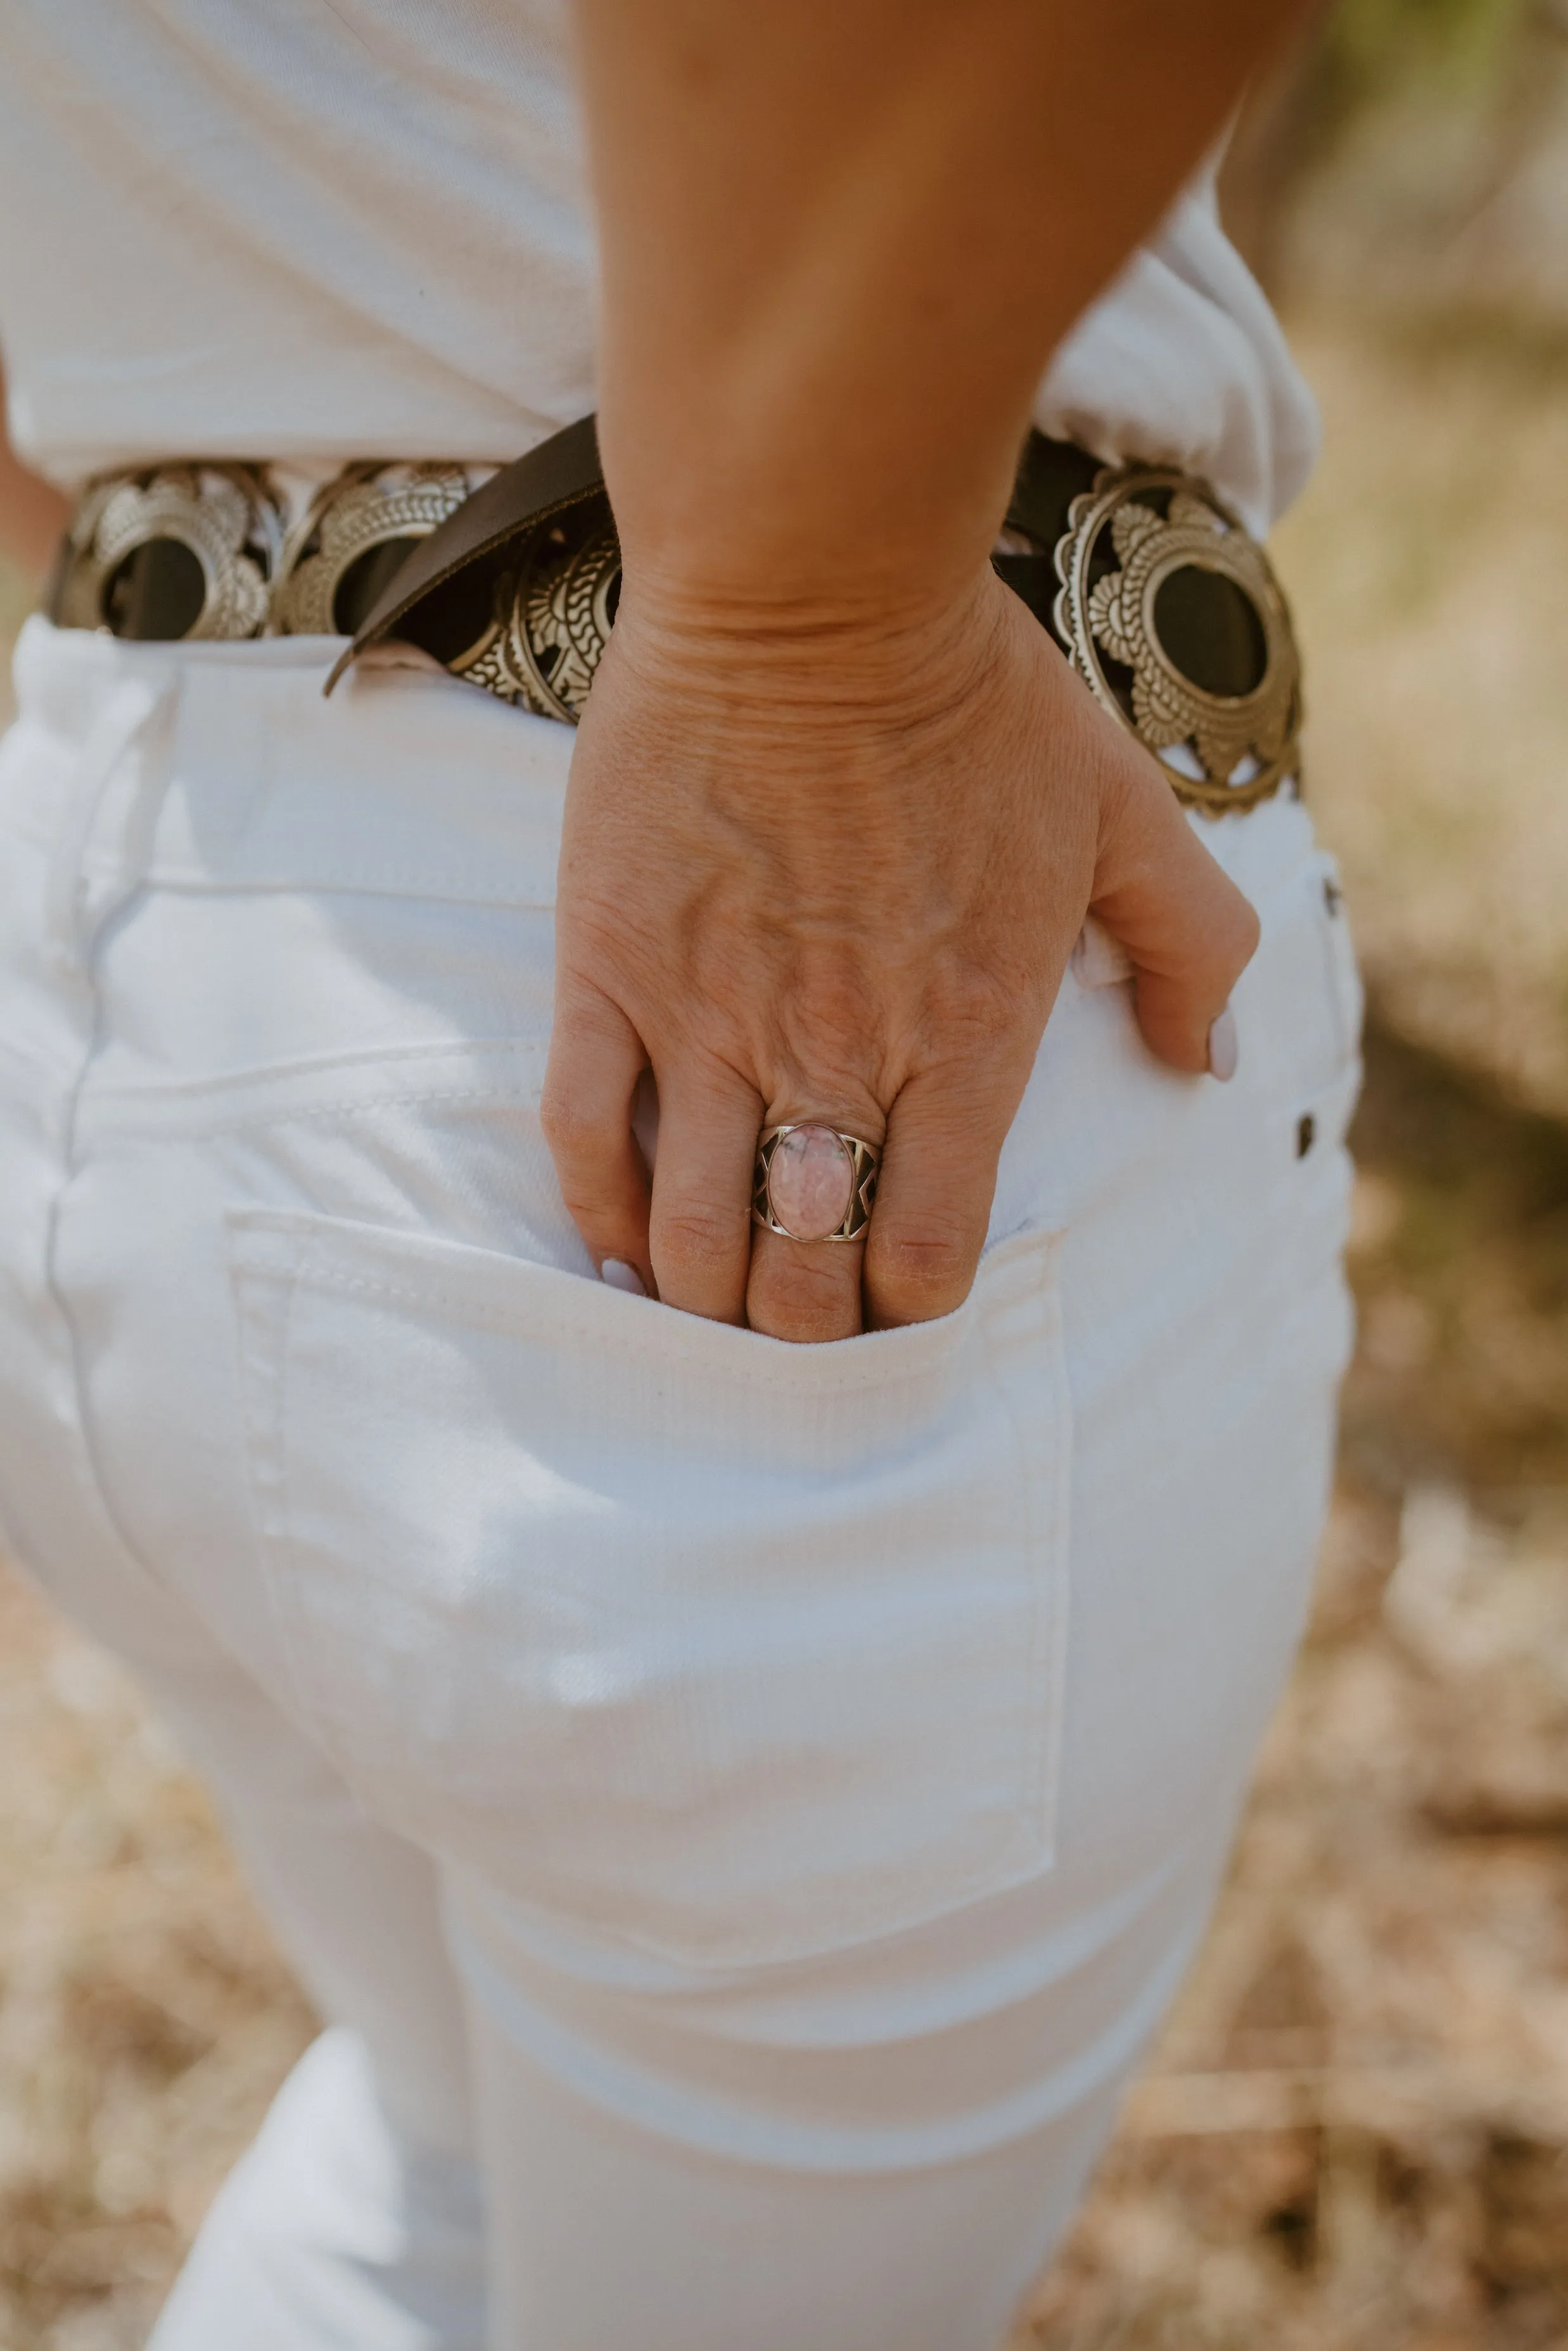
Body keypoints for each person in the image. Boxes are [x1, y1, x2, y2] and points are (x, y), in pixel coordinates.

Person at [0, 3, 1359, 2345]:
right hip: (732, 850)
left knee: (438, 2153)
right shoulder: (799, 652)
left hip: (125, 898)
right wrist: (814, 626)